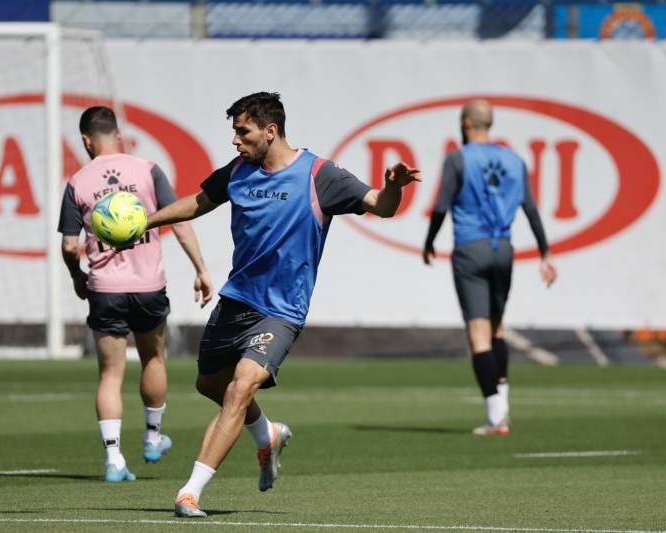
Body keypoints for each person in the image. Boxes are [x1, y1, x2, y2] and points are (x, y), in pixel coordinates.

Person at [142, 91, 420, 517]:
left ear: (270, 131)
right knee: (209, 384)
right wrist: (146, 222)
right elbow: (199, 202)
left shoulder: (320, 175)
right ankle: (266, 435)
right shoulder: (238, 170)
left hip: (281, 311)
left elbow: (380, 206)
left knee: (240, 389)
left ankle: (189, 493)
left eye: (243, 131)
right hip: (236, 300)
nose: (235, 140)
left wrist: (394, 188)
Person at [58, 105, 214, 482]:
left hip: (105, 289)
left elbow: (68, 245)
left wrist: (77, 276)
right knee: (153, 360)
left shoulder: (78, 182)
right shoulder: (147, 169)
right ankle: (153, 439)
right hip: (148, 287)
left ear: (86, 140)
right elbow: (179, 220)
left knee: (110, 376)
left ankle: (114, 460)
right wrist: (201, 269)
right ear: (119, 135)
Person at [422, 98, 558, 436]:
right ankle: (503, 410)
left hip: (471, 248)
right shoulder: (515, 160)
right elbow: (531, 210)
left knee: (478, 334)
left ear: (467, 122)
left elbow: (440, 207)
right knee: (496, 329)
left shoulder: (457, 158)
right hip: (504, 251)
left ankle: (496, 417)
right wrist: (545, 253)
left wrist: (429, 241)